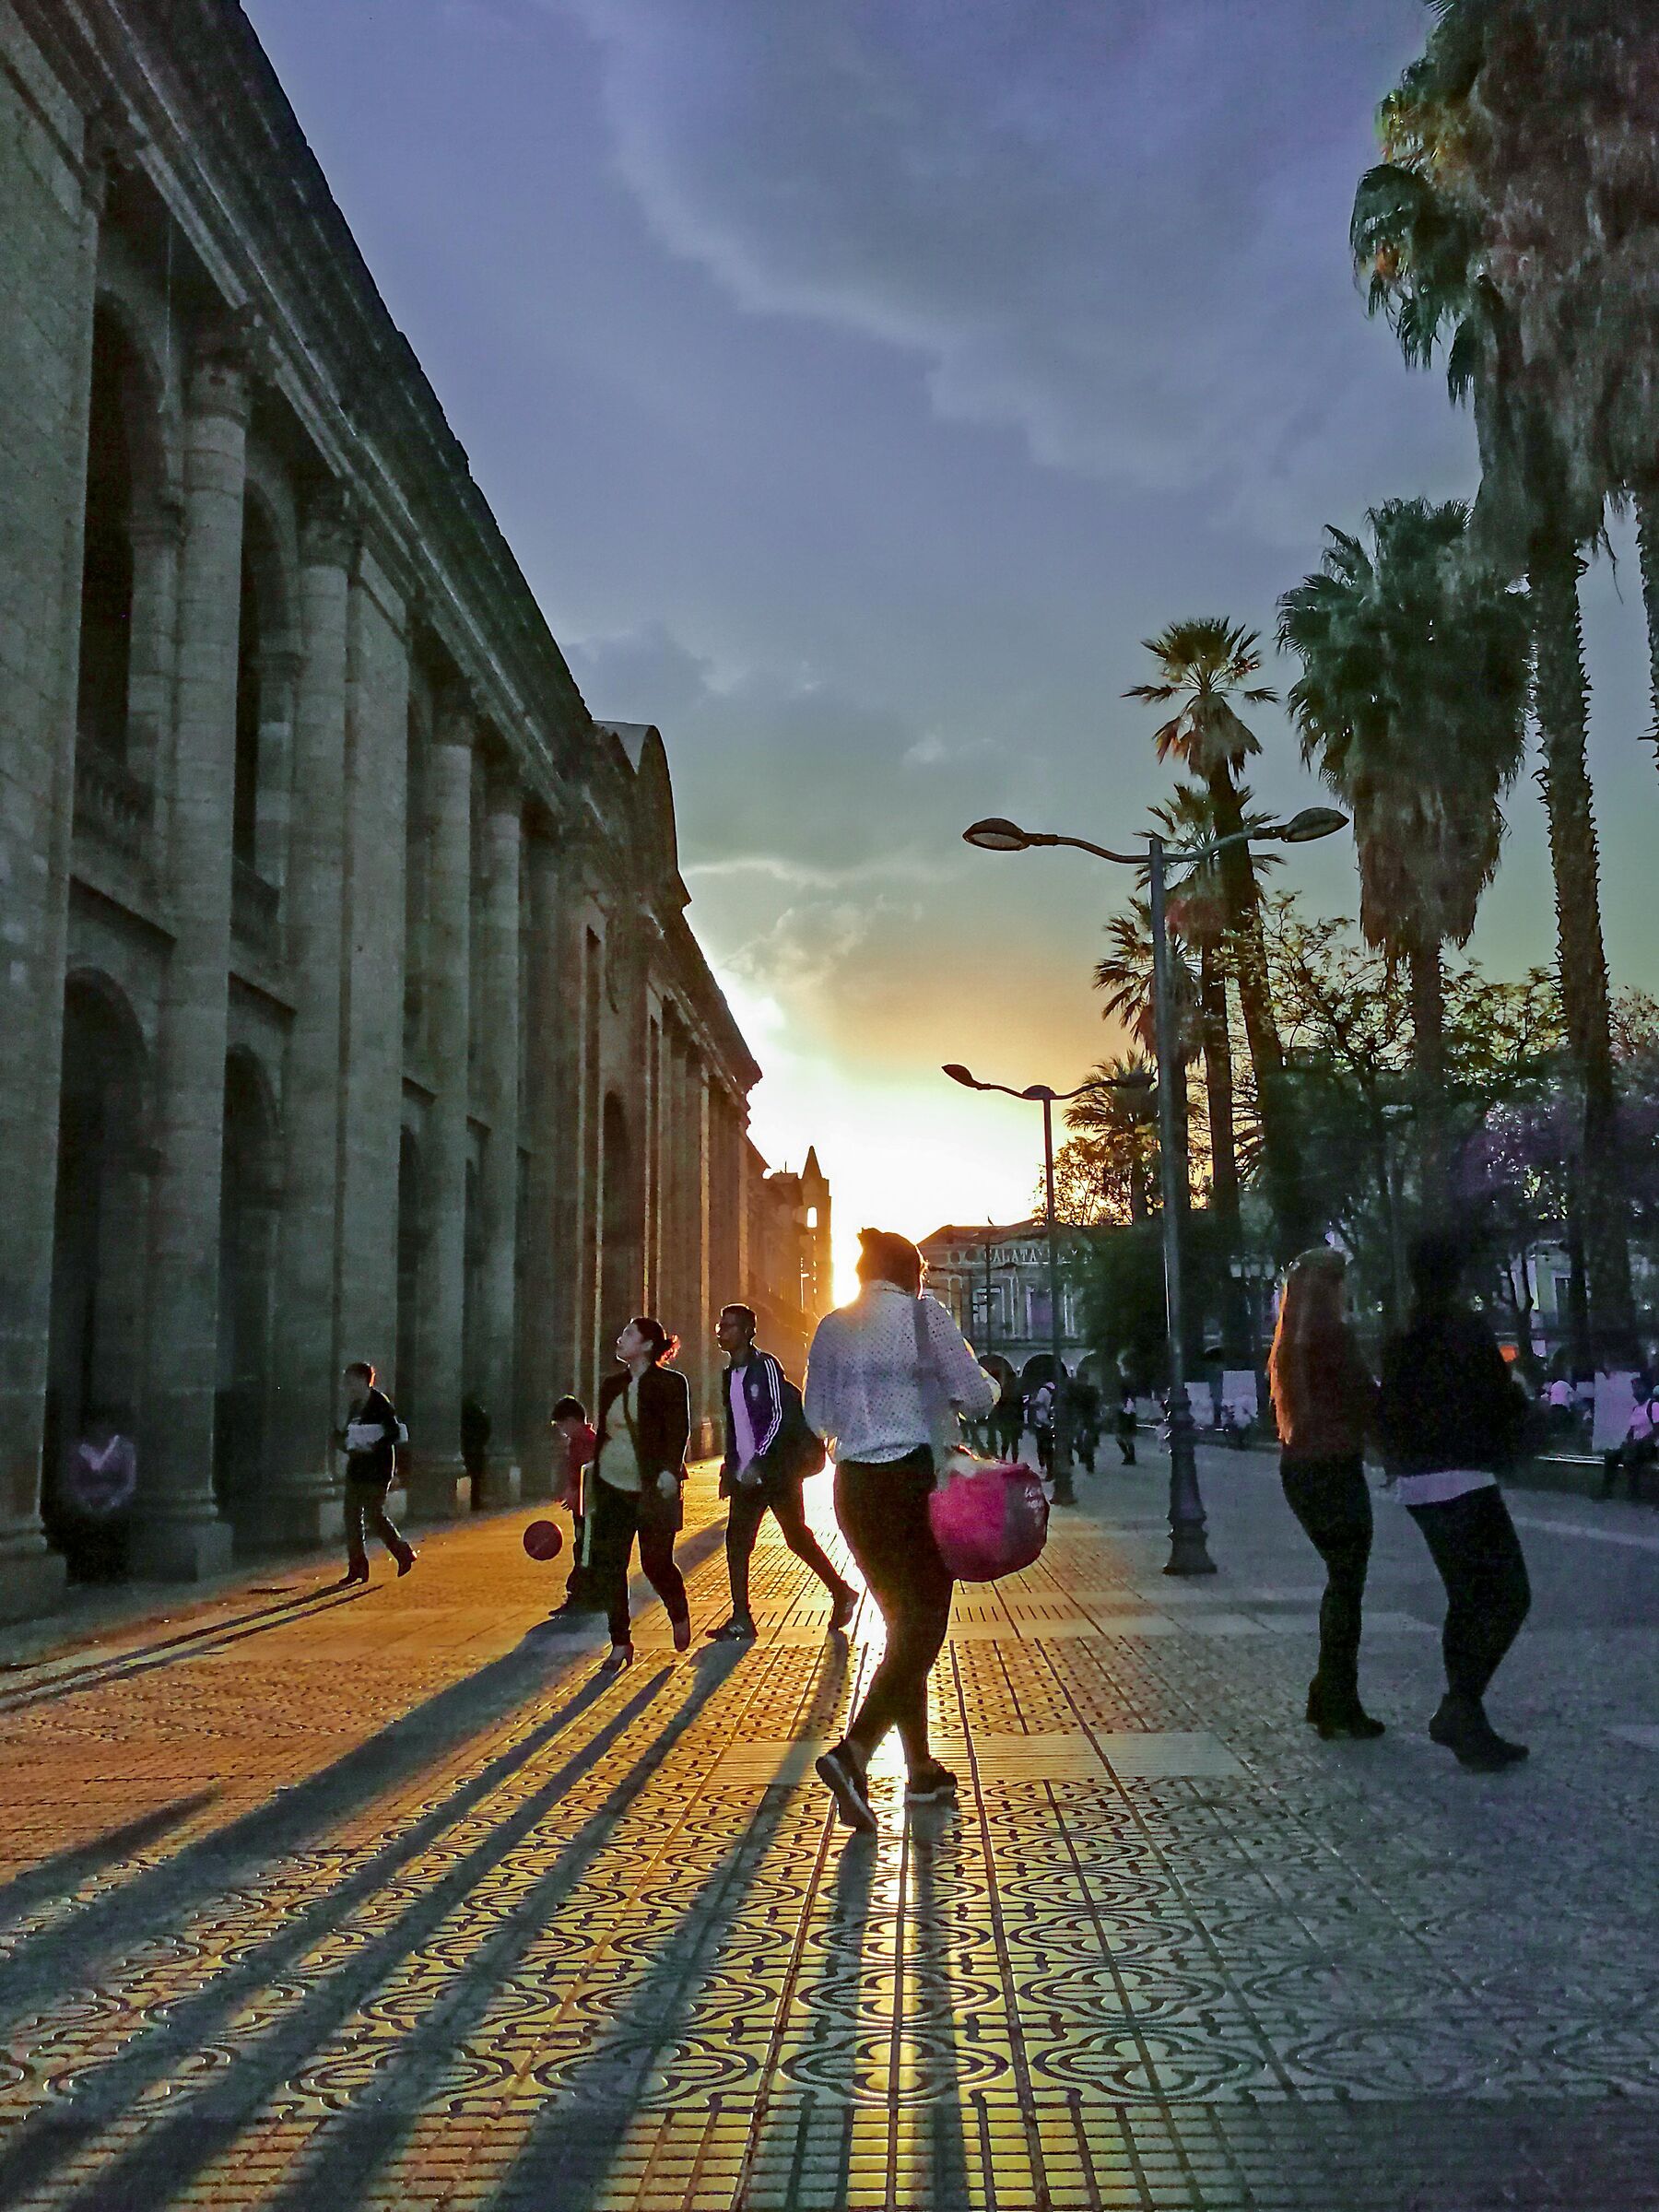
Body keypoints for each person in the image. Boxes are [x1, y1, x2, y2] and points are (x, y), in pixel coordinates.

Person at [804, 1227, 997, 1830]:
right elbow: (975, 1396)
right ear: (911, 1271)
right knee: (923, 1626)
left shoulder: (833, 1325)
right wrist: (990, 1386)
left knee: (900, 1624)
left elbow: (817, 1415)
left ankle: (919, 1772)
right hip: (914, 1483)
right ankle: (853, 1752)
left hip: (855, 1489)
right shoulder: (925, 1316)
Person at [1378, 1231, 1532, 1771]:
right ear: (1456, 1273)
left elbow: (1391, 1408)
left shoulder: (1401, 1334)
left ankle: (1467, 1715)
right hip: (1464, 1475)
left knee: (1467, 1598)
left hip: (1419, 1483)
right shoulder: (1464, 1330)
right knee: (1509, 1596)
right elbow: (1496, 1398)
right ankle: (1460, 1707)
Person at [1268, 1249, 1383, 1740]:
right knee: (1347, 1586)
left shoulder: (1290, 1345)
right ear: (1334, 1286)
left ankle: (1329, 1693)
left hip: (1300, 1469)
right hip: (1336, 1467)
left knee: (1340, 1581)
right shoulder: (1334, 1338)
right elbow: (1365, 1401)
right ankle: (1338, 1698)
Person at [705, 1305, 856, 1642]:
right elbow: (734, 1427)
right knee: (737, 1543)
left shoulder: (766, 1366)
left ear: (746, 1331)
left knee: (796, 1537)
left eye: (729, 1326)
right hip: (746, 1477)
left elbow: (777, 1416)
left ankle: (841, 1592)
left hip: (776, 1473)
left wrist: (758, 1460)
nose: (721, 1331)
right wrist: (731, 1467)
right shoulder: (728, 1374)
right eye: (721, 1325)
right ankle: (741, 1617)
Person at [586, 1318, 693, 1670]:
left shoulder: (671, 1384)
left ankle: (678, 1611)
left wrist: (669, 1470)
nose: (620, 1338)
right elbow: (605, 1433)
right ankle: (620, 1642)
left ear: (648, 1345)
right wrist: (589, 1481)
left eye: (628, 1334)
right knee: (611, 1565)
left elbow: (678, 1430)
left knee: (655, 1563)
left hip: (650, 1488)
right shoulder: (611, 1385)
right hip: (611, 1487)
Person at [336, 1361, 416, 1583]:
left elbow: (393, 1432)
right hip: (357, 1466)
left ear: (364, 1380)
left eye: (350, 1380)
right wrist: (343, 1440)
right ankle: (357, 1567)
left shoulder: (380, 1403)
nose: (347, 1385)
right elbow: (350, 1433)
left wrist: (373, 1445)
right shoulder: (355, 1406)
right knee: (351, 1517)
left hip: (377, 1469)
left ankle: (403, 1553)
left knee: (374, 1514)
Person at [62, 1408, 137, 1583]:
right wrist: (84, 1504)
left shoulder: (124, 1449)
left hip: (115, 1502)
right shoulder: (78, 1450)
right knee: (79, 1524)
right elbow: (72, 1483)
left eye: (104, 1425)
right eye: (94, 1426)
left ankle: (114, 1572)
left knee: (116, 1524)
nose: (99, 1430)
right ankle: (81, 1572)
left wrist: (111, 1504)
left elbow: (128, 1484)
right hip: (86, 1501)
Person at [547, 1395, 599, 1617]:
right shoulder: (584, 1440)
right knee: (583, 1548)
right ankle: (583, 1595)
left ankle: (581, 1595)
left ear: (572, 1420)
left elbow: (588, 1472)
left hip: (587, 1508)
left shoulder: (585, 1441)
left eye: (562, 1426)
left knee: (583, 1549)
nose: (562, 1431)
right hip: (584, 1506)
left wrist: (575, 1491)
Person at [460, 1394, 491, 1511]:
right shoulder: (478, 1412)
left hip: (468, 1445)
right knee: (476, 1476)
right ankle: (475, 1501)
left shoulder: (465, 1414)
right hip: (476, 1446)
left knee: (474, 1474)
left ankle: (472, 1501)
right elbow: (486, 1428)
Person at [1114, 1381, 1138, 1466]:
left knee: (1126, 1440)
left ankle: (1130, 1457)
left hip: (1127, 1423)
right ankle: (1129, 1456)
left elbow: (1127, 1412)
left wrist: (1120, 1409)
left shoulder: (1128, 1401)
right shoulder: (1128, 1400)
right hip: (1127, 1423)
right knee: (1126, 1440)